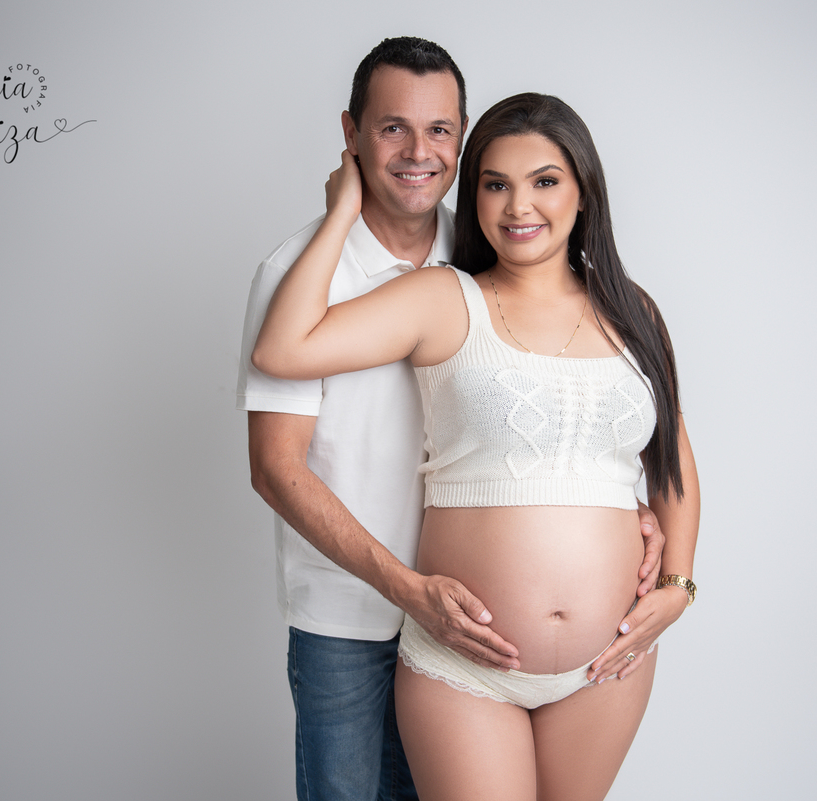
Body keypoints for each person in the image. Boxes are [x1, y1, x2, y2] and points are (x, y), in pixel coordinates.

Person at [238, 38, 665, 801]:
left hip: (473, 613)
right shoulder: (299, 275)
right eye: (392, 128)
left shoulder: (482, 254)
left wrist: (612, 509)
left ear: (461, 137)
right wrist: (341, 213)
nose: (418, 151)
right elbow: (275, 468)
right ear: (352, 134)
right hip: (355, 613)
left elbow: (543, 405)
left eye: (438, 129)